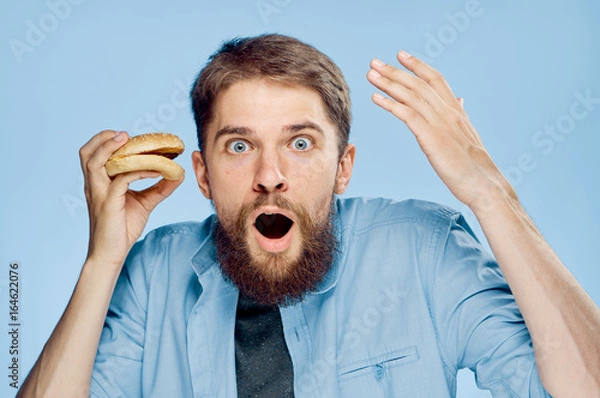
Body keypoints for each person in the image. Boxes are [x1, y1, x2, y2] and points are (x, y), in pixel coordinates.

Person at [19, 34, 600, 397]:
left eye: (300, 144)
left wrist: (489, 191)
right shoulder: (153, 273)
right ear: (201, 174)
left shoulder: (425, 249)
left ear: (343, 167)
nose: (270, 175)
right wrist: (103, 260)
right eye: (239, 146)